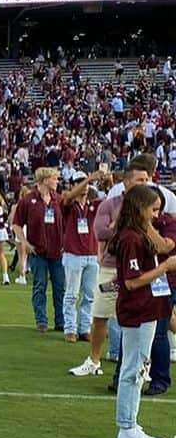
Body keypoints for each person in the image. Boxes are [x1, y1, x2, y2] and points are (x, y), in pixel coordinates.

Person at [110, 184, 176, 438]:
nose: (156, 215)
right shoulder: (130, 238)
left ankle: (130, 425)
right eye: (152, 209)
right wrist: (164, 267)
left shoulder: (138, 233)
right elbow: (132, 281)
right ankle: (127, 428)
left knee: (138, 367)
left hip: (147, 307)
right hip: (138, 309)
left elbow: (162, 245)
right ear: (140, 208)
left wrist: (148, 223)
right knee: (133, 369)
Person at [72, 162, 150, 378]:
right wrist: (120, 224)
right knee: (100, 314)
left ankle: (142, 365)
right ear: (126, 182)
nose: (145, 183)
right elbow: (100, 232)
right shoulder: (110, 204)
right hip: (111, 267)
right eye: (140, 180)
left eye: (146, 179)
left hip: (139, 268)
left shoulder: (150, 204)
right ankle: (93, 360)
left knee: (139, 319)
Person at [13, 168, 66, 332]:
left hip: (58, 252)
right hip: (38, 252)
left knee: (60, 288)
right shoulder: (28, 200)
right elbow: (16, 224)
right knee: (39, 286)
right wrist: (25, 242)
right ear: (44, 180)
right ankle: (41, 321)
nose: (57, 181)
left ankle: (61, 321)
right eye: (54, 178)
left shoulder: (59, 200)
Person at [60, 171, 104, 344]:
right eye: (78, 182)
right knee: (72, 294)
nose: (84, 186)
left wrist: (107, 181)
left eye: (84, 183)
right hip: (73, 255)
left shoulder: (93, 206)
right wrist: (89, 179)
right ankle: (70, 328)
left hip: (91, 255)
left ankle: (85, 328)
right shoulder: (68, 205)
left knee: (90, 295)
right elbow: (69, 197)